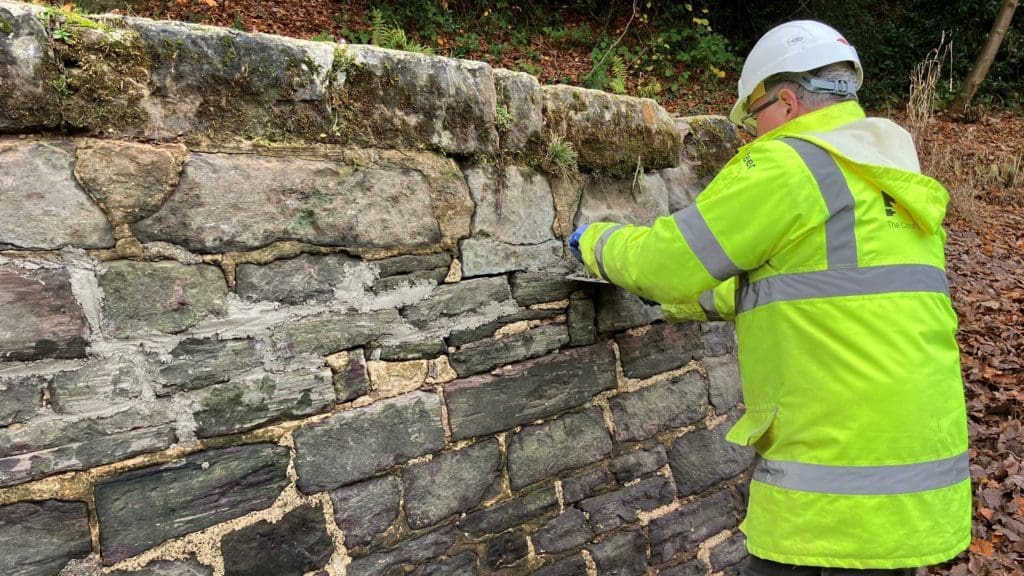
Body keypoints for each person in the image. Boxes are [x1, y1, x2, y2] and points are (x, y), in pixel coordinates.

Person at [569, 20, 971, 576]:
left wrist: (593, 240)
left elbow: (665, 263)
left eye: (751, 115)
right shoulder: (889, 179)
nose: (750, 134)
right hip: (916, 482)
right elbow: (797, 289)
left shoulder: (789, 164)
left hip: (832, 483)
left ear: (785, 102)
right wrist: (677, 307)